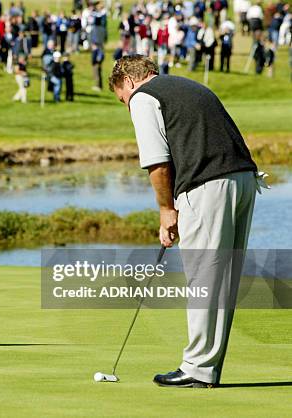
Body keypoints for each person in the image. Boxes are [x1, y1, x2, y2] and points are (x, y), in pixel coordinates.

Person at [109, 55, 263, 388]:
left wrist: (167, 211)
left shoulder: (144, 97)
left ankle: (196, 368)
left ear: (129, 82)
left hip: (208, 185)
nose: (127, 105)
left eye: (122, 98)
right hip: (245, 181)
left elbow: (157, 163)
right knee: (223, 280)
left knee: (204, 278)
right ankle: (207, 367)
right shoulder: (188, 86)